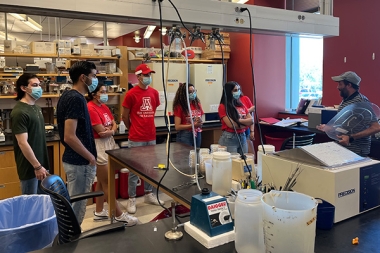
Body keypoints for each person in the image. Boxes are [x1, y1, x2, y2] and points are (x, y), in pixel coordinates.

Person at [87, 83, 138, 226]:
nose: (105, 94)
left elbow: (114, 123)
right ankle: (119, 215)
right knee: (107, 182)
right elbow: (99, 130)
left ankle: (98, 211)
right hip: (99, 146)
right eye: (102, 91)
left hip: (109, 142)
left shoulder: (103, 107)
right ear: (94, 94)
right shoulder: (90, 108)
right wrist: (109, 129)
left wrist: (111, 130)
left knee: (102, 181)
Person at [56, 61, 97, 225]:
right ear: (83, 77)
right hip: (80, 163)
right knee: (76, 211)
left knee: (73, 206)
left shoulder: (68, 95)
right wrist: (90, 157)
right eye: (93, 76)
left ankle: (67, 241)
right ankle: (70, 244)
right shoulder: (76, 99)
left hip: (74, 161)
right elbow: (69, 136)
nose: (95, 80)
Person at [121, 63, 164, 214]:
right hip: (136, 137)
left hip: (150, 135)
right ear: (138, 76)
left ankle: (148, 193)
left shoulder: (154, 93)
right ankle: (131, 198)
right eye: (145, 75)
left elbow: (152, 111)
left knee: (150, 167)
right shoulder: (131, 94)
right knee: (135, 169)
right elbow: (125, 116)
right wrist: (132, 128)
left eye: (149, 75)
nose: (148, 77)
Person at [317, 71, 380, 156]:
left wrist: (351, 138)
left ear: (349, 85)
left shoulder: (361, 102)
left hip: (356, 151)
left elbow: (376, 127)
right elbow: (347, 125)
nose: (337, 87)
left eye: (340, 84)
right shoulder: (347, 100)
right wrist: (329, 128)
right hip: (344, 149)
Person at [10, 73, 49, 194]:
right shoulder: (19, 112)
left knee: (42, 203)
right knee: (29, 206)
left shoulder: (36, 108)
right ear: (23, 88)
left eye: (39, 85)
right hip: (30, 168)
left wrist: (41, 166)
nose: (39, 88)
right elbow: (22, 143)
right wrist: (37, 166)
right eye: (35, 85)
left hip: (42, 164)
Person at [218, 81, 253, 154]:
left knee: (243, 160)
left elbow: (251, 120)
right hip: (230, 138)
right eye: (235, 90)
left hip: (242, 136)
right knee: (232, 161)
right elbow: (231, 125)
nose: (238, 92)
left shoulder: (241, 105)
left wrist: (237, 121)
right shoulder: (223, 106)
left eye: (239, 89)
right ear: (229, 92)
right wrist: (245, 123)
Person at [173, 83, 204, 147]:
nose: (192, 94)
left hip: (197, 133)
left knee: (196, 154)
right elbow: (177, 127)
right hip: (185, 134)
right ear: (184, 94)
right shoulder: (179, 106)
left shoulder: (197, 104)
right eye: (190, 92)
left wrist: (200, 122)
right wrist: (192, 125)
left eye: (194, 91)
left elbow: (201, 120)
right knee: (185, 155)